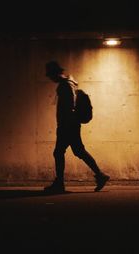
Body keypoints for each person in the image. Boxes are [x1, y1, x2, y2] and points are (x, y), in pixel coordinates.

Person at [44, 60, 110, 193]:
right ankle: (100, 175)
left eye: (50, 75)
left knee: (58, 152)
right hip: (71, 124)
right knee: (79, 151)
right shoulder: (69, 84)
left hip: (67, 125)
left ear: (55, 74)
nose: (50, 78)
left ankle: (59, 184)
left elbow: (69, 106)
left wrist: (64, 125)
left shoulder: (65, 85)